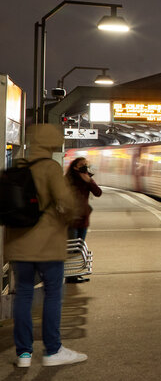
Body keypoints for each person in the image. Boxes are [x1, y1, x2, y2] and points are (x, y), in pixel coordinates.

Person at [5, 124, 88, 368]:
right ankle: (53, 350)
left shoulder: (18, 166)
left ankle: (24, 354)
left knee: (23, 294)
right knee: (53, 294)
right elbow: (67, 204)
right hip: (47, 245)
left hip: (19, 244)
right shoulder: (50, 168)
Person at [65, 156, 101, 283]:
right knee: (72, 247)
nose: (85, 166)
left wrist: (89, 181)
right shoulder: (68, 180)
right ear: (75, 166)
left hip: (83, 218)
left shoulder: (87, 178)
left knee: (79, 247)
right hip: (71, 218)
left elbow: (98, 192)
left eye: (86, 164)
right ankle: (70, 275)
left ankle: (74, 273)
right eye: (82, 164)